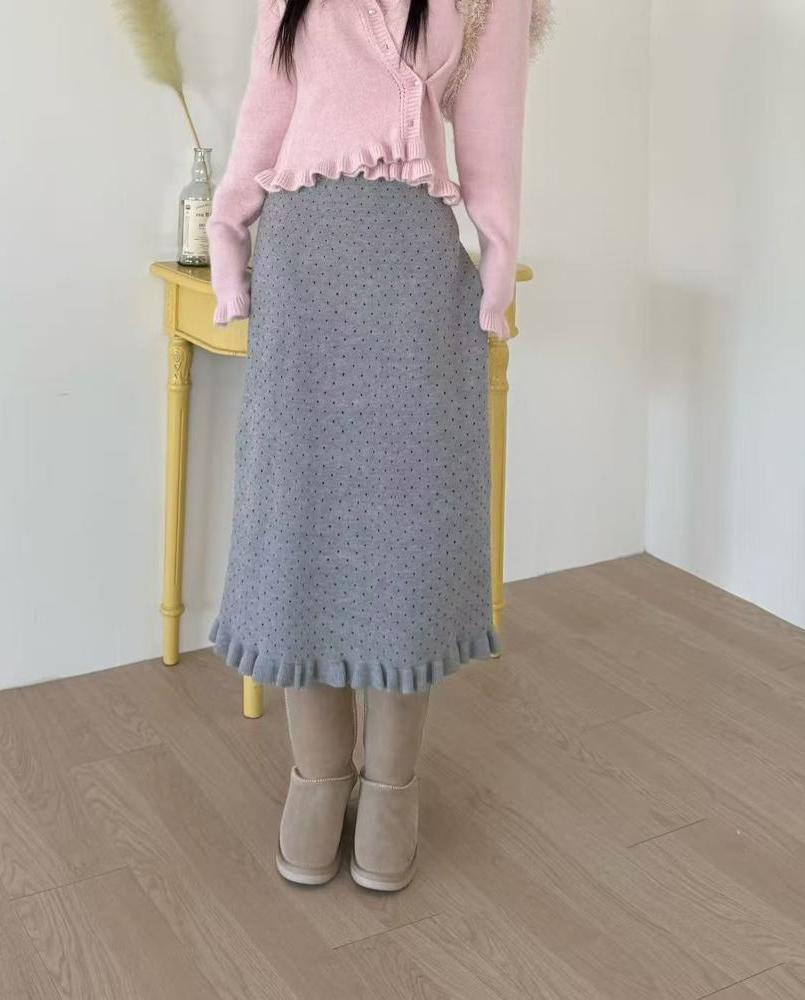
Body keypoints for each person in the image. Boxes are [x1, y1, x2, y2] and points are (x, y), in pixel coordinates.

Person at [205, 0, 535, 892]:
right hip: (302, 272)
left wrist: (497, 268)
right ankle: (318, 774)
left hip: (414, 278)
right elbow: (266, 110)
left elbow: (493, 134)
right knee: (297, 522)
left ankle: (393, 783)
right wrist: (228, 231)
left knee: (409, 537)